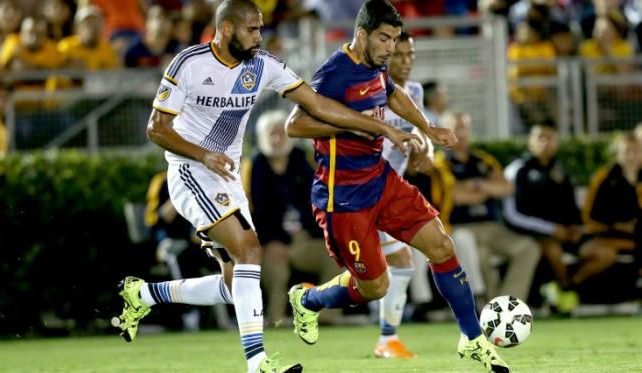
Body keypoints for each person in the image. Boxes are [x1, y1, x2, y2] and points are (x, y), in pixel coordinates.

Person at [111, 1, 417, 373]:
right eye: (252, 29)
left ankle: (142, 294)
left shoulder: (263, 65)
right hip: (190, 170)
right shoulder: (189, 63)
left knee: (235, 284)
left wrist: (379, 127)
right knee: (250, 253)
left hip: (223, 176)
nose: (260, 36)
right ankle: (258, 363)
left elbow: (316, 103)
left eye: (260, 28)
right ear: (226, 30)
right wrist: (205, 155)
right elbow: (157, 129)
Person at [284, 1, 508, 372]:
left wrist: (427, 127)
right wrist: (366, 126)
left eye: (394, 39)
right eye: (384, 38)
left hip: (381, 179)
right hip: (343, 198)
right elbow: (296, 125)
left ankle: (472, 339)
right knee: (375, 287)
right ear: (361, 35)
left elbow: (391, 93)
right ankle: (308, 301)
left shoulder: (376, 64)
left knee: (441, 244)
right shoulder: (336, 73)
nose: (390, 47)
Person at [241, 110, 342, 326]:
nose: (278, 139)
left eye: (282, 133)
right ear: (261, 138)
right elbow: (250, 211)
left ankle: (326, 316)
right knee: (275, 267)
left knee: (335, 257)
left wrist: (320, 234)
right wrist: (271, 241)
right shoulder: (253, 166)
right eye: (272, 133)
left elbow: (322, 199)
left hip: (305, 238)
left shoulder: (304, 160)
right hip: (270, 242)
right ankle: (275, 319)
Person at [437, 112, 541, 302]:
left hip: (492, 227)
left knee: (529, 248)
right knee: (480, 256)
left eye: (465, 128)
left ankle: (508, 304)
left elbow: (507, 188)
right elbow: (455, 195)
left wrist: (476, 185)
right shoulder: (440, 162)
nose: (462, 133)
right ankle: (490, 308)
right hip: (460, 228)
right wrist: (486, 188)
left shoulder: (484, 160)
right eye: (456, 127)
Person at [372, 31, 428, 359]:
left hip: (390, 195)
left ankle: (387, 340)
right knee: (381, 274)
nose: (406, 62)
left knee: (399, 265)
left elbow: (421, 128)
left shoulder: (415, 92)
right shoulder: (370, 93)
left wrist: (427, 148)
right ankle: (309, 299)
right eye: (399, 55)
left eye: (411, 55)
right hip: (366, 192)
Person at [503, 120, 582, 313]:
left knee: (595, 251)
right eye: (540, 138)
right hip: (526, 233)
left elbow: (571, 207)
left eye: (550, 138)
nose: (545, 143)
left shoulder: (561, 170)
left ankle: (557, 290)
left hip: (561, 232)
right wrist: (551, 229)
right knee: (552, 249)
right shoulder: (518, 170)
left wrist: (575, 227)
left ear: (557, 142)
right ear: (530, 141)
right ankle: (565, 291)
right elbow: (512, 215)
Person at [576, 133, 641, 287]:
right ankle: (570, 286)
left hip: (635, 236)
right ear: (618, 154)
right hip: (604, 235)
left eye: (635, 151)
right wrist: (617, 225)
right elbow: (590, 215)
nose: (630, 156)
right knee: (604, 255)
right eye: (626, 151)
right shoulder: (605, 178)